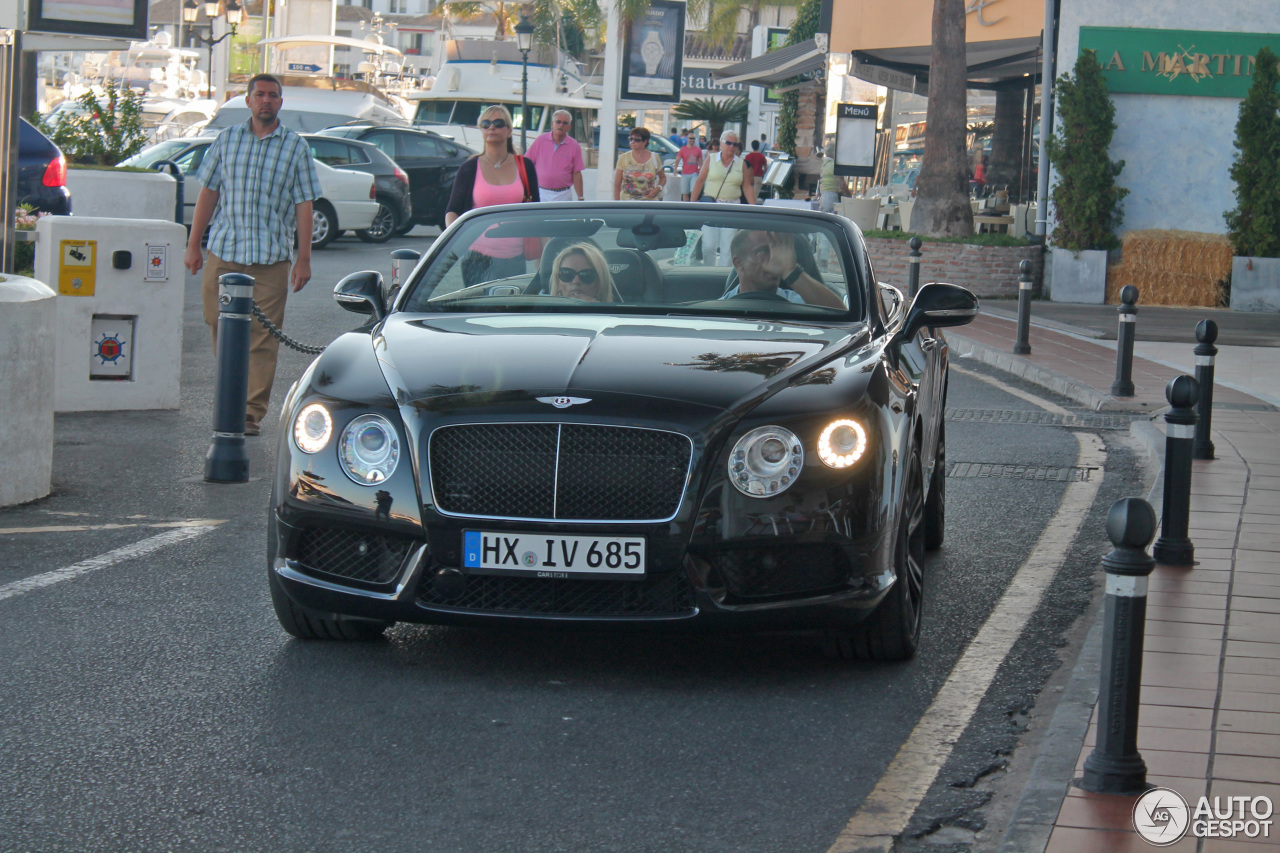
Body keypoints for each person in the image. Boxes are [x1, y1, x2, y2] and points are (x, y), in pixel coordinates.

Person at [183, 73, 321, 438]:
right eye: (259, 94)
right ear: (247, 100)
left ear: (280, 103)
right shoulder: (226, 141)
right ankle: (231, 395)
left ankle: (249, 412)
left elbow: (304, 204)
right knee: (217, 321)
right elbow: (209, 194)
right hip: (225, 252)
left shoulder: (295, 147)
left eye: (273, 96)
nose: (266, 101)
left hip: (270, 257)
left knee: (262, 336)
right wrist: (193, 243)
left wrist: (303, 258)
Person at [444, 104, 541, 285]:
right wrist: (457, 244)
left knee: (510, 311)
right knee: (479, 312)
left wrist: (542, 258)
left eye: (498, 123)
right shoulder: (469, 168)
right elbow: (452, 210)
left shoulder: (525, 166)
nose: (491, 127)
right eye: (486, 124)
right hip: (477, 258)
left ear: (509, 130)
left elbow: (536, 214)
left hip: (515, 258)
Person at [721, 230, 845, 308]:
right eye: (763, 251)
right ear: (739, 263)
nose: (775, 258)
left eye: (776, 250)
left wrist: (790, 271)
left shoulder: (801, 303)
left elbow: (841, 314)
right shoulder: (719, 309)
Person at [690, 131, 756, 265]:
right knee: (709, 245)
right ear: (721, 143)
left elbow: (747, 186)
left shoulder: (741, 163)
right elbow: (700, 181)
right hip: (711, 205)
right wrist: (691, 205)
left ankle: (722, 276)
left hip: (732, 206)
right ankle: (709, 273)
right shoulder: (711, 159)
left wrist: (754, 208)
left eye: (735, 144)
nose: (731, 147)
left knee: (728, 246)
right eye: (728, 143)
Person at [525, 109, 584, 202]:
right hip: (541, 193)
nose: (561, 125)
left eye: (565, 123)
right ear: (552, 124)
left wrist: (580, 197)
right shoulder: (540, 141)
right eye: (558, 122)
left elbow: (577, 173)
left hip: (563, 195)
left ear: (569, 127)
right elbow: (527, 165)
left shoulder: (574, 145)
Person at [549, 243, 614, 302]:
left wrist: (596, 311)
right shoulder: (543, 313)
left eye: (586, 275)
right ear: (558, 283)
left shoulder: (615, 314)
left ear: (600, 283)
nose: (576, 281)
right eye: (567, 274)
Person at [614, 126, 665, 200]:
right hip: (627, 202)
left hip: (649, 202)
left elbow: (663, 177)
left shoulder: (654, 157)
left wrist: (658, 188)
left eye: (637, 140)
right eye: (630, 139)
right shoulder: (623, 157)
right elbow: (617, 184)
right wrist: (617, 204)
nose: (632, 142)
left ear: (645, 142)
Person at [676, 132, 704, 201]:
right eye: (691, 138)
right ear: (687, 139)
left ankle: (692, 206)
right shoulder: (683, 149)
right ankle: (686, 208)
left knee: (693, 192)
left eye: (693, 138)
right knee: (685, 193)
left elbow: (700, 162)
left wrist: (701, 171)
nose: (692, 140)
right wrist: (675, 169)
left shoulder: (698, 150)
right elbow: (677, 160)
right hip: (685, 173)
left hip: (694, 173)